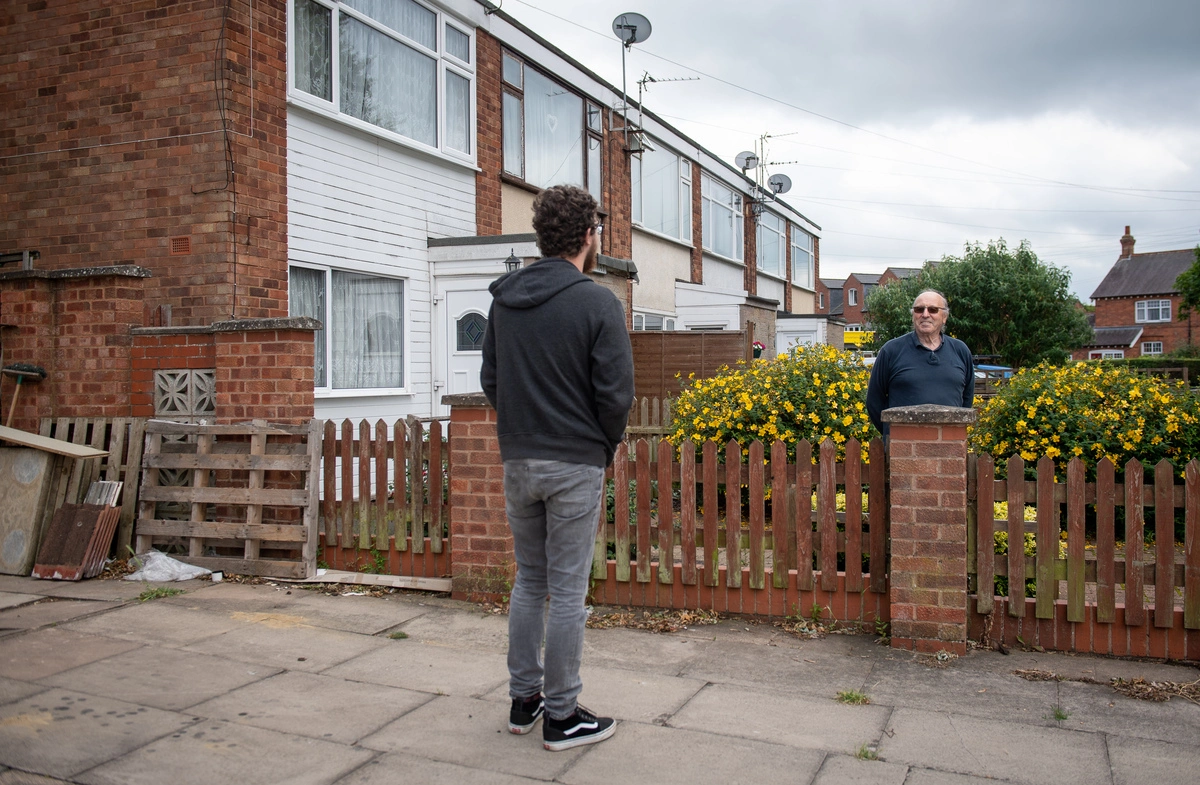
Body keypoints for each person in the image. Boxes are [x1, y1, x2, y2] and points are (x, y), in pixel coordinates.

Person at [481, 184, 634, 752]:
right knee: (568, 592)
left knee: (530, 580)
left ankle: (525, 700)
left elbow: (490, 381)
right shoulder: (597, 303)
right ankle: (563, 716)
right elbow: (615, 395)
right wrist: (601, 446)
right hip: (574, 462)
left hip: (518, 460)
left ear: (542, 236)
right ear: (589, 236)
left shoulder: (504, 301)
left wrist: (521, 431)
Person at [866, 289, 974, 437]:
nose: (925, 314)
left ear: (944, 317)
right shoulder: (891, 350)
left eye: (933, 310)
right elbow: (874, 401)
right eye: (919, 309)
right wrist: (893, 434)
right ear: (913, 316)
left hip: (949, 447)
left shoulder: (960, 350)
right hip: (903, 447)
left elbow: (966, 400)